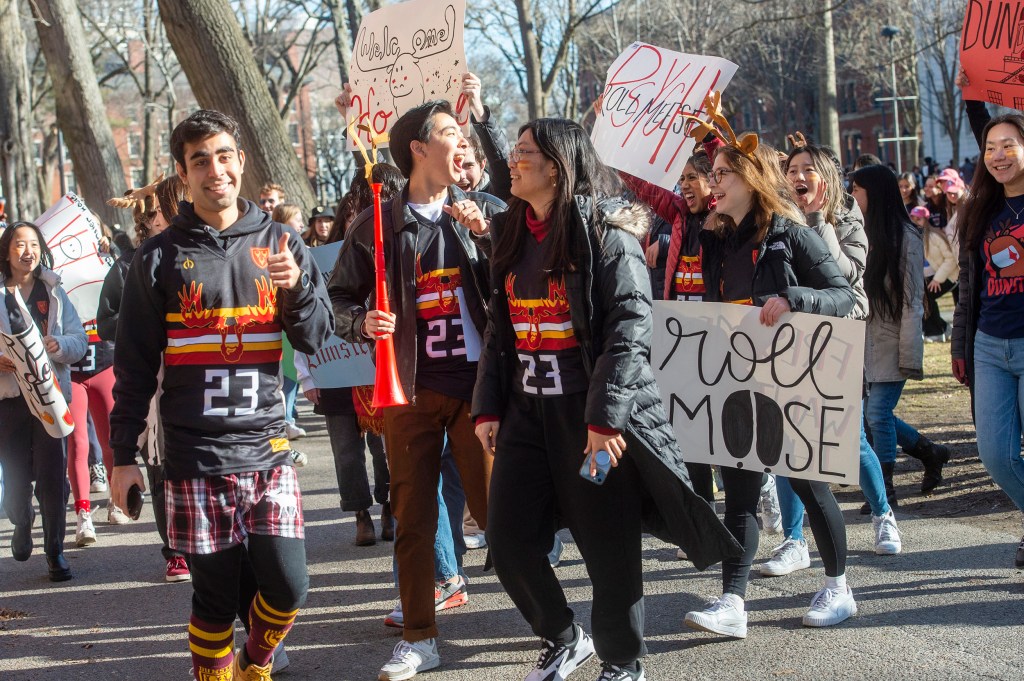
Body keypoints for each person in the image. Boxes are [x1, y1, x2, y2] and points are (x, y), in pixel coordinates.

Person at [453, 116, 738, 681]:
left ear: (558, 168)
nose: (513, 158)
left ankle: (621, 658)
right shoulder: (510, 234)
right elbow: (497, 328)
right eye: (514, 147)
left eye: (525, 150)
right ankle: (564, 637)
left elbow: (630, 329)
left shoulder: (608, 236)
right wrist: (486, 407)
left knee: (608, 551)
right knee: (507, 543)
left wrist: (606, 420)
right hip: (524, 417)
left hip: (590, 419)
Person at [108, 109, 334, 680]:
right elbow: (132, 367)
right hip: (195, 457)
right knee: (213, 599)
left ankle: (256, 662)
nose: (216, 170)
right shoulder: (157, 258)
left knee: (290, 586)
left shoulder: (280, 241)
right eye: (200, 160)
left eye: (225, 155)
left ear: (242, 160)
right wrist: (121, 458)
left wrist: (298, 288)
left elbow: (315, 337)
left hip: (268, 448)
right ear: (182, 175)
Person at [328, 98, 505, 680]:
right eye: (453, 133)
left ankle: (554, 625)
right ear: (419, 150)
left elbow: (526, 269)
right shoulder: (378, 222)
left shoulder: (481, 212)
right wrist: (362, 322)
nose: (463, 144)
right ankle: (419, 638)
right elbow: (338, 300)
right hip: (409, 392)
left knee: (495, 512)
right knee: (413, 519)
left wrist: (491, 239)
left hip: (480, 393)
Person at [682, 120, 859, 637]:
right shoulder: (716, 240)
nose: (712, 184)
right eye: (711, 174)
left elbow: (842, 295)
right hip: (739, 381)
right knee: (738, 492)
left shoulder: (791, 233)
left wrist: (792, 300)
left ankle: (838, 587)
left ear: (752, 179)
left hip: (792, 380)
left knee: (807, 484)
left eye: (721, 175)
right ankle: (733, 601)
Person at [773, 143, 901, 569]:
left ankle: (883, 514)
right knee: (787, 439)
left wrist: (816, 220)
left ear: (825, 178)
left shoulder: (847, 219)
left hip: (838, 336)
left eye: (808, 169)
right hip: (791, 340)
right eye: (792, 169)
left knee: (851, 438)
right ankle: (793, 540)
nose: (798, 176)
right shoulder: (776, 220)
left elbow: (846, 276)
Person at [97, 174, 191, 582]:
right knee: (162, 463)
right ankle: (174, 549)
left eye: (162, 211)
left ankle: (207, 542)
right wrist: (145, 320)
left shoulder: (209, 251)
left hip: (197, 378)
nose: (158, 219)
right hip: (153, 380)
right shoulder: (130, 264)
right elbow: (106, 323)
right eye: (152, 214)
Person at [952, 111, 1024, 569]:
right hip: (989, 344)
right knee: (996, 455)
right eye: (990, 147)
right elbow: (967, 286)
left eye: (1009, 145)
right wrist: (960, 347)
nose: (998, 155)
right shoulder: (978, 210)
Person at [851, 165, 949, 500]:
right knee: (871, 415)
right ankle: (929, 452)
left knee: (876, 413)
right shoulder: (858, 232)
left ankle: (885, 489)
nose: (852, 196)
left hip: (894, 340)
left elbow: (912, 301)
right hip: (865, 342)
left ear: (874, 193)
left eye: (856, 189)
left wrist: (910, 353)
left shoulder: (906, 236)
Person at [0, 221, 87, 582]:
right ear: (7, 251)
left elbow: (78, 341)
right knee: (16, 478)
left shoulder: (54, 292)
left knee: (53, 478)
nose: (27, 252)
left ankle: (55, 551)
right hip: (8, 400)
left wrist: (59, 346)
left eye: (33, 244)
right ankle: (21, 522)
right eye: (20, 244)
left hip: (51, 399)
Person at [910, 205, 958, 342]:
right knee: (921, 297)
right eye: (912, 218)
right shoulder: (915, 236)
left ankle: (936, 331)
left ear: (925, 219)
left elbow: (951, 259)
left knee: (926, 297)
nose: (915, 222)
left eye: (918, 219)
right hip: (932, 277)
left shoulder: (934, 236)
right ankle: (943, 328)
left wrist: (937, 279)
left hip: (950, 276)